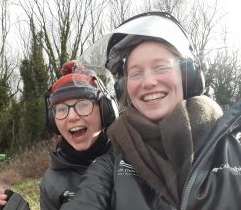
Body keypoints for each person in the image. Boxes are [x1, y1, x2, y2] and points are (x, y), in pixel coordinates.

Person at [59, 12, 241, 210]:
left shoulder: (234, 147)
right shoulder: (109, 166)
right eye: (136, 73)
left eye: (161, 67)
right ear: (124, 88)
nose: (148, 82)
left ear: (187, 76)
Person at [0, 60, 118, 210]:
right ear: (52, 119)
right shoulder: (51, 182)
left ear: (105, 110)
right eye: (61, 109)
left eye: (83, 104)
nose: (72, 117)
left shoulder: (131, 158)